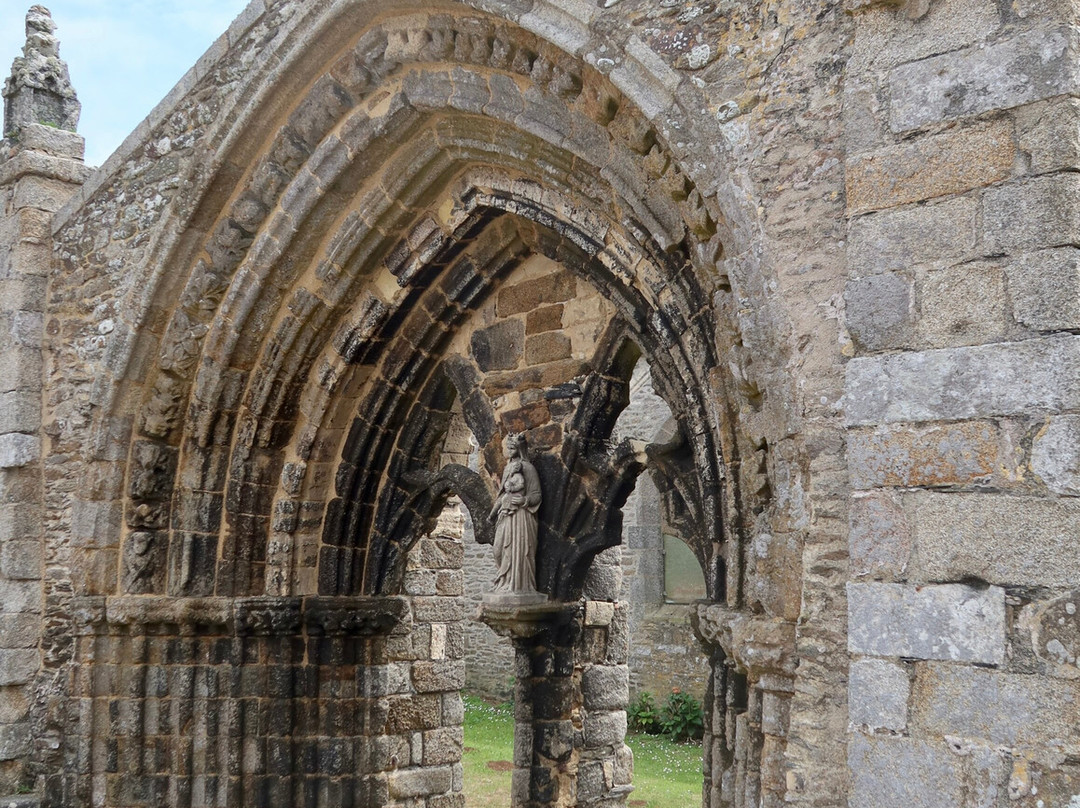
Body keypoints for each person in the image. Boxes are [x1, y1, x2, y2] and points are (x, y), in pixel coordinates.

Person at [488, 433, 542, 594]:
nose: (509, 451)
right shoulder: (508, 468)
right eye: (508, 448)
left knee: (518, 552)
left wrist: (524, 500)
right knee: (498, 550)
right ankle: (504, 582)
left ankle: (517, 586)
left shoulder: (528, 468)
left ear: (519, 449)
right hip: (505, 513)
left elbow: (536, 494)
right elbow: (502, 494)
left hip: (521, 516)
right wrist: (492, 514)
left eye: (512, 448)